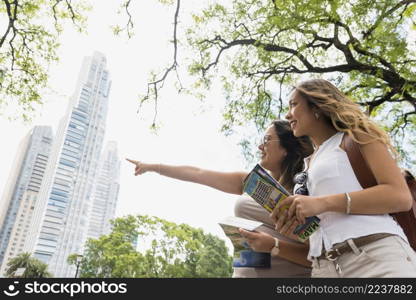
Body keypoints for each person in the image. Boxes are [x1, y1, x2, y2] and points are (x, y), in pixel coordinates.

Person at [127, 120, 313, 277]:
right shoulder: (251, 181)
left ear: (286, 149)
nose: (260, 146)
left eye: (266, 140)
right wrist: (152, 167)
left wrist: (274, 246)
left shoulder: (306, 192)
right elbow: (198, 173)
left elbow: (319, 255)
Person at [269, 78, 416, 277]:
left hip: (374, 257)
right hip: (324, 268)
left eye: (293, 105)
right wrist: (296, 229)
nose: (287, 115)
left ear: (317, 107)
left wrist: (322, 203)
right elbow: (325, 226)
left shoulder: (356, 135)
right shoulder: (307, 166)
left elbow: (400, 196)